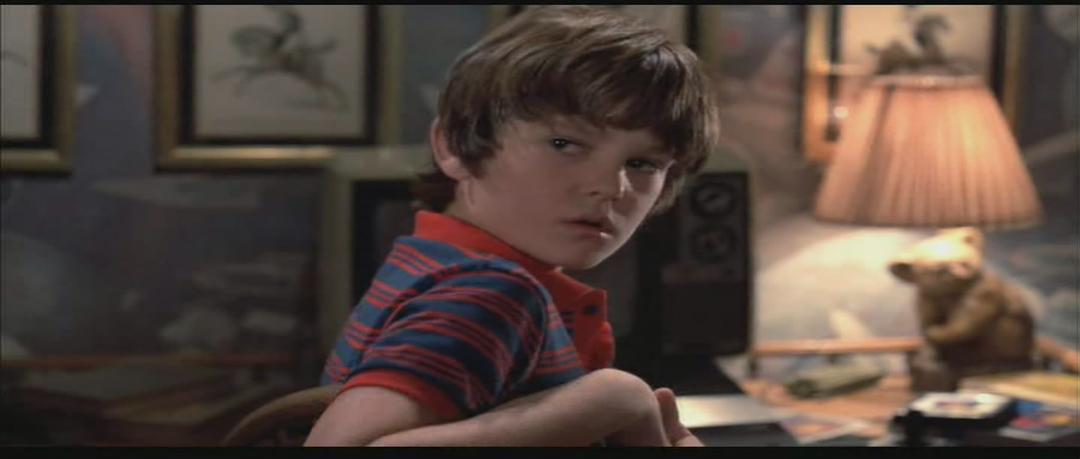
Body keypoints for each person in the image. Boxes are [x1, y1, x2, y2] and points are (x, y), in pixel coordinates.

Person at [305, 5, 719, 447]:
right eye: (564, 143)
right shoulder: (492, 295)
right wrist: (615, 400)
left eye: (642, 163)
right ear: (454, 146)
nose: (610, 187)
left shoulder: (431, 260)